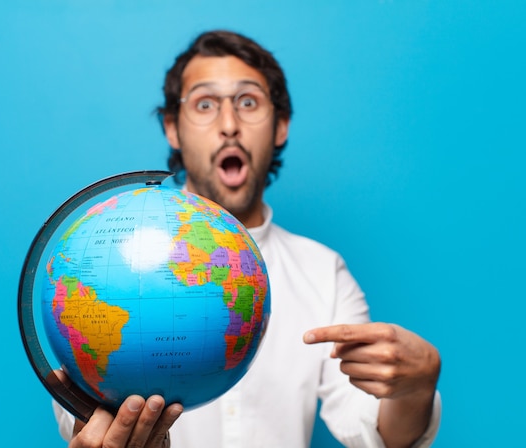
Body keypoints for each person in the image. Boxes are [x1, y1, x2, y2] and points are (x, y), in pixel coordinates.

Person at [53, 30, 442, 448]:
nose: (229, 125)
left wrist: (414, 390)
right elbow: (87, 412)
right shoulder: (103, 254)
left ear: (281, 126)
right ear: (173, 128)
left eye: (248, 103)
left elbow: (373, 429)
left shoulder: (322, 271)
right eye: (205, 104)